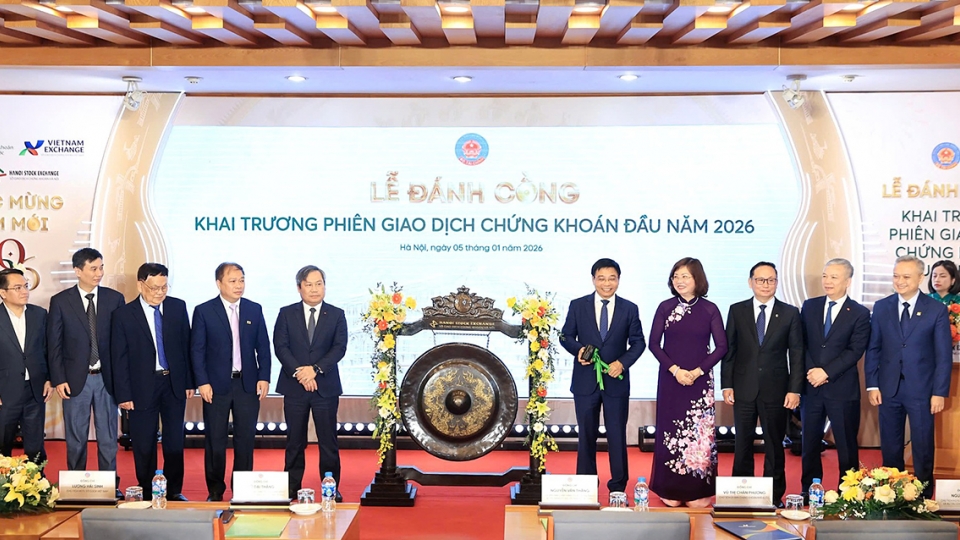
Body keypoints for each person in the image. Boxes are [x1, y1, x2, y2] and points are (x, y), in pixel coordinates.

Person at [865, 255, 952, 498]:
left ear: (920, 278)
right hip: (888, 389)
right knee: (891, 446)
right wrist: (872, 384)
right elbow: (874, 348)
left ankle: (923, 498)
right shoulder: (882, 307)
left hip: (922, 391)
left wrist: (939, 392)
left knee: (923, 446)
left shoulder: (936, 309)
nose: (899, 281)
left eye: (905, 277)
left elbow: (943, 355)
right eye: (896, 276)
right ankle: (892, 496)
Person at [721, 261, 803, 507]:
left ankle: (774, 496)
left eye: (771, 280)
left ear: (777, 283)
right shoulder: (737, 310)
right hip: (743, 388)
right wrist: (727, 385)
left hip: (776, 390)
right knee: (742, 443)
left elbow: (797, 353)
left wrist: (795, 389)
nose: (766, 285)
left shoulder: (790, 313)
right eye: (760, 280)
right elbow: (730, 350)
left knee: (774, 445)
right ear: (751, 282)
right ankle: (740, 494)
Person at [561, 258, 646, 493]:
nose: (606, 283)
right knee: (586, 435)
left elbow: (638, 343)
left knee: (617, 436)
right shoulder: (578, 305)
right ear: (593, 280)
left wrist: (622, 363)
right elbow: (565, 336)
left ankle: (618, 487)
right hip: (585, 382)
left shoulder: (630, 308)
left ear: (618, 280)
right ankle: (585, 485)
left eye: (612, 278)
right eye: (601, 278)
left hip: (616, 382)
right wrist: (578, 350)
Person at [648, 257, 727, 507]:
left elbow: (722, 346)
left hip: (700, 382)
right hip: (671, 380)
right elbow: (653, 344)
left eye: (685, 276)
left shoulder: (710, 309)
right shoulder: (665, 307)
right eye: (676, 276)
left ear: (697, 279)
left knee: (699, 435)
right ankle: (669, 487)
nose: (680, 281)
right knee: (670, 432)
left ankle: (698, 489)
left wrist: (697, 371)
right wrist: (675, 370)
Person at [47, 248, 125, 497]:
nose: (99, 273)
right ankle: (75, 488)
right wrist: (59, 378)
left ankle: (109, 487)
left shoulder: (115, 299)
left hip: (107, 380)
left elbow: (121, 344)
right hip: (74, 381)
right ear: (77, 271)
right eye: (93, 268)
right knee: (76, 439)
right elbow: (54, 344)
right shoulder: (60, 301)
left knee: (108, 439)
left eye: (101, 267)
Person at [111, 263, 192, 501]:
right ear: (140, 285)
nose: (159, 292)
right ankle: (147, 489)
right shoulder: (124, 315)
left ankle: (174, 489)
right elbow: (119, 357)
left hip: (173, 384)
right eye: (154, 287)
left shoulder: (178, 307)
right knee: (144, 442)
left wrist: (188, 382)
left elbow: (185, 347)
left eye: (164, 286)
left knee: (174, 440)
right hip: (141, 387)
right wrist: (123, 394)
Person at [191, 262, 271, 501]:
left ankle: (243, 489)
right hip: (215, 386)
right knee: (215, 439)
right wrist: (202, 382)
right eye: (233, 281)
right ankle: (215, 490)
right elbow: (197, 350)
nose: (239, 285)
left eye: (242, 280)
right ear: (219, 283)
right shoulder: (204, 311)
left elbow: (263, 348)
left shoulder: (254, 310)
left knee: (245, 440)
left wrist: (264, 377)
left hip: (247, 385)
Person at [799, 258, 871, 500]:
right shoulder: (809, 306)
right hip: (811, 386)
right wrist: (812, 371)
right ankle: (809, 490)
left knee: (846, 444)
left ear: (848, 282)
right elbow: (802, 344)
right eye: (825, 276)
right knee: (809, 442)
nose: (827, 282)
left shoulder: (860, 313)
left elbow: (855, 351)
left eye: (834, 277)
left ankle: (849, 493)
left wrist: (826, 372)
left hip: (842, 388)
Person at [274, 265, 347, 501]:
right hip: (294, 387)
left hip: (325, 387)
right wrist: (301, 373)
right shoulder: (286, 313)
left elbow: (339, 348)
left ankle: (330, 487)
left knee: (328, 441)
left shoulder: (336, 314)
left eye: (319, 284)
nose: (314, 289)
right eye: (309, 284)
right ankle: (291, 486)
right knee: (295, 440)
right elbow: (280, 346)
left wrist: (314, 370)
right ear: (299, 288)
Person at [0, 269, 51, 461]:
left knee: (35, 443)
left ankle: (38, 485)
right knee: (3, 442)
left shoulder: (39, 315)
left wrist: (49, 379)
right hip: (5, 391)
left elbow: (47, 350)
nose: (24, 291)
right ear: (3, 293)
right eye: (18, 287)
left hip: (35, 390)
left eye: (26, 286)